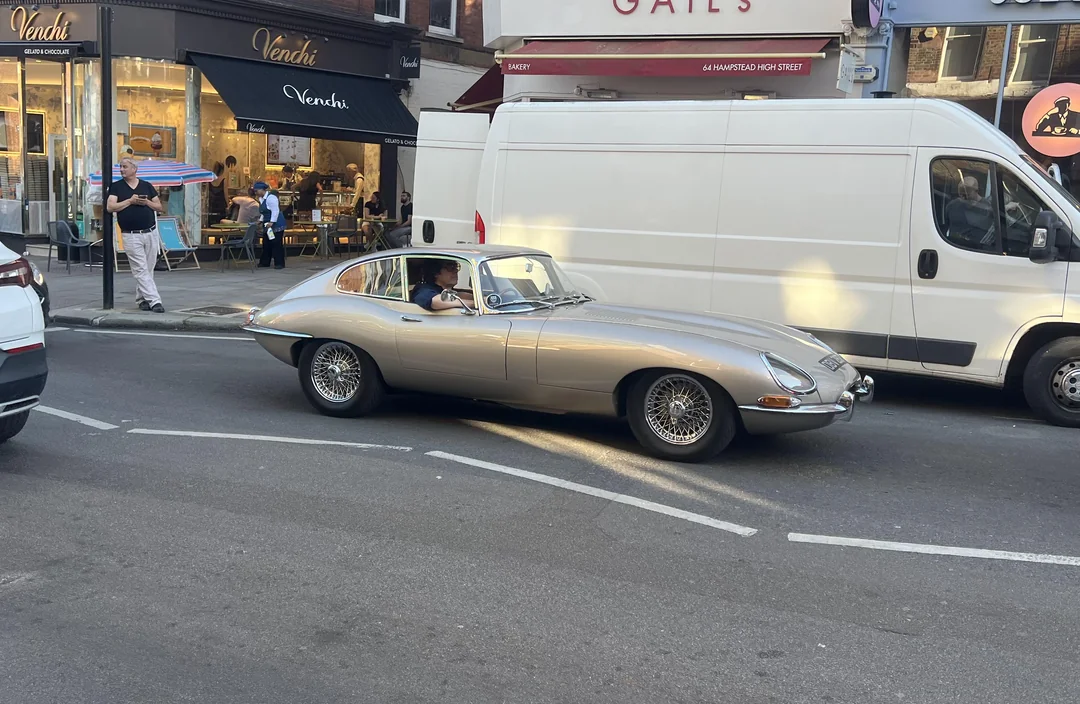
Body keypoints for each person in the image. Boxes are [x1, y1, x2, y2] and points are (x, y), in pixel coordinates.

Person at [107, 157, 165, 312]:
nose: (122, 170)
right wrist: (130, 201)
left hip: (150, 232)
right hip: (131, 234)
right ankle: (155, 301)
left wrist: (146, 202)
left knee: (148, 268)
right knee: (140, 269)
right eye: (120, 167)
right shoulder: (116, 187)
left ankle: (141, 299)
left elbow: (159, 207)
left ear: (134, 168)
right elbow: (110, 206)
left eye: (125, 167)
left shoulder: (146, 186)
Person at [410, 259, 474, 311]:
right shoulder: (422, 289)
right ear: (436, 273)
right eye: (450, 267)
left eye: (456, 266)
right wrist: (474, 304)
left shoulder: (445, 290)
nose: (456, 270)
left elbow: (459, 295)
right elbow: (434, 301)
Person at [254, 181, 286, 269]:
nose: (255, 193)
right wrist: (260, 220)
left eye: (256, 191)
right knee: (266, 243)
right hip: (267, 224)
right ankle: (265, 262)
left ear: (262, 190)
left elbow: (275, 210)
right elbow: (264, 212)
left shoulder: (271, 198)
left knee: (276, 243)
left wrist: (272, 222)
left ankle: (279, 263)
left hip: (276, 223)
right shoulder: (261, 199)